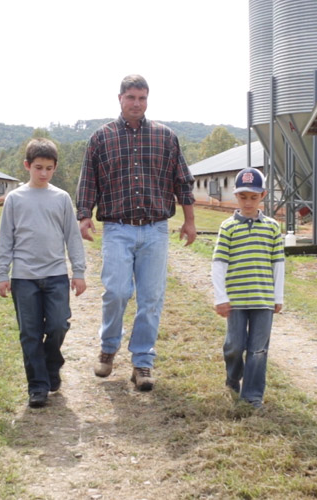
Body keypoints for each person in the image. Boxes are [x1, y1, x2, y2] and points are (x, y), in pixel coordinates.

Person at [76, 74, 196, 391]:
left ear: (148, 99)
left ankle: (143, 361)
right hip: (117, 229)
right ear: (120, 99)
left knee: (151, 298)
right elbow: (88, 181)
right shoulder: (101, 138)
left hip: (156, 230)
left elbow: (182, 181)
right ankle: (108, 348)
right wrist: (84, 216)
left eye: (142, 97)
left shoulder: (165, 137)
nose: (137, 103)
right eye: (131, 97)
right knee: (116, 292)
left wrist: (189, 220)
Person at [0, 138, 87, 408]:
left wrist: (78, 271)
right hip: (24, 277)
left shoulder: (61, 198)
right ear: (27, 166)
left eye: (49, 168)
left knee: (59, 324)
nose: (43, 173)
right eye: (38, 167)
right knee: (30, 332)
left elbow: (72, 237)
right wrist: (2, 273)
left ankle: (51, 362)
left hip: (56, 274)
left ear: (55, 168)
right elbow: (5, 239)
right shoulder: (15, 199)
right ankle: (37, 386)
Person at [211, 167, 284, 408]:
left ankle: (252, 395)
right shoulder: (228, 227)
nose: (248, 202)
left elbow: (278, 265)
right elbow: (219, 264)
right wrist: (221, 297)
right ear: (236, 196)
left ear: (262, 195)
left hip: (263, 299)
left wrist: (278, 296)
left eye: (253, 197)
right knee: (235, 345)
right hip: (236, 299)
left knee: (258, 350)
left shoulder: (272, 227)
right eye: (243, 197)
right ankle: (233, 377)